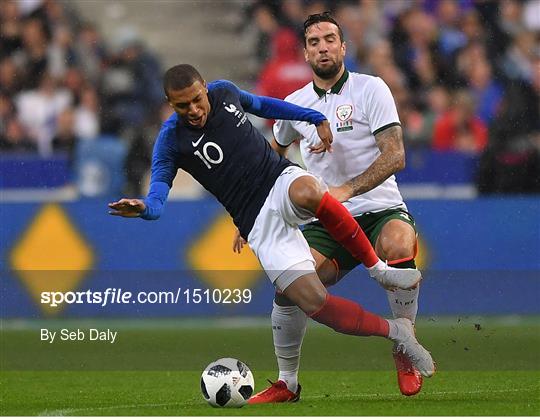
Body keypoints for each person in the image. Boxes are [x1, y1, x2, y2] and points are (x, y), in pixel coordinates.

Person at [109, 64, 434, 390]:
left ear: (205, 88)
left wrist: (313, 117)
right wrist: (144, 209)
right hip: (257, 222)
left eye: (197, 99)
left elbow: (265, 106)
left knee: (309, 190)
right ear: (170, 102)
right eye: (183, 106)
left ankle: (377, 269)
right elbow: (158, 196)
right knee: (314, 303)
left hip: (278, 179)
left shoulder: (225, 92)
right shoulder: (170, 141)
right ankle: (392, 334)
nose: (193, 110)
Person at [242, 13, 431, 403]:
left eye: (330, 39)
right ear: (306, 52)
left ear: (344, 47)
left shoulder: (371, 89)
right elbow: (271, 155)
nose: (323, 46)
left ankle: (404, 347)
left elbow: (395, 155)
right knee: (291, 284)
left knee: (399, 244)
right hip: (326, 220)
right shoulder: (294, 104)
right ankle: (287, 383)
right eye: (314, 41)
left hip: (379, 208)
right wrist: (251, 211)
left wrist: (346, 189)